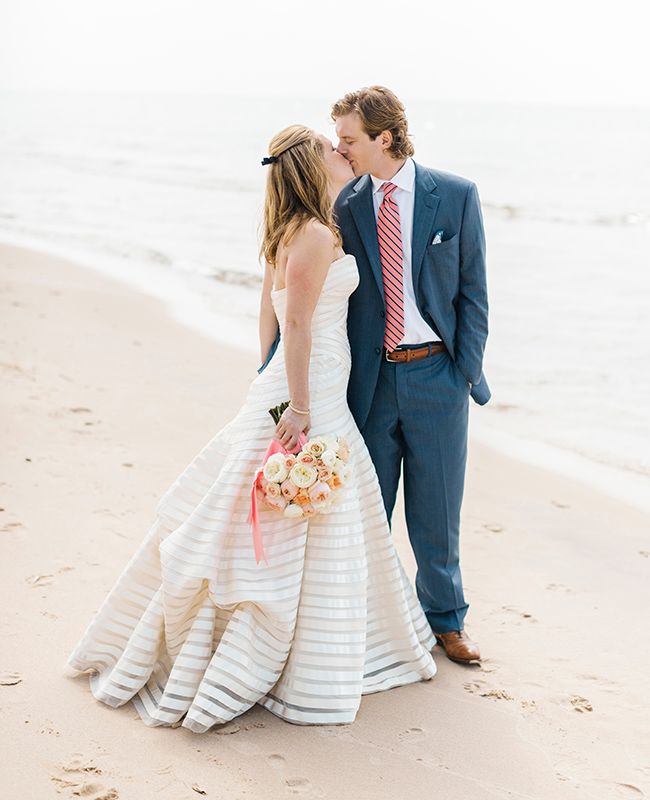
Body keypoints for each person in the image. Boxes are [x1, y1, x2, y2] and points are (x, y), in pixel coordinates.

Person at [64, 124, 436, 733]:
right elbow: (295, 322)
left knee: (278, 512)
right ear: (313, 167)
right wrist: (296, 404)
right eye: (330, 148)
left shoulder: (289, 228)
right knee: (317, 517)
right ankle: (289, 657)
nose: (342, 153)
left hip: (293, 383)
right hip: (309, 391)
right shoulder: (316, 235)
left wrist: (263, 381)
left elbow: (267, 311)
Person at [332, 86, 490, 665]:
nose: (341, 148)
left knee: (438, 510)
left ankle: (447, 621)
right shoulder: (345, 203)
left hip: (437, 378)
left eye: (350, 139)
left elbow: (474, 293)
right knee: (370, 513)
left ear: (385, 137)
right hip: (371, 384)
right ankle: (370, 621)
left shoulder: (454, 195)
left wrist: (464, 369)